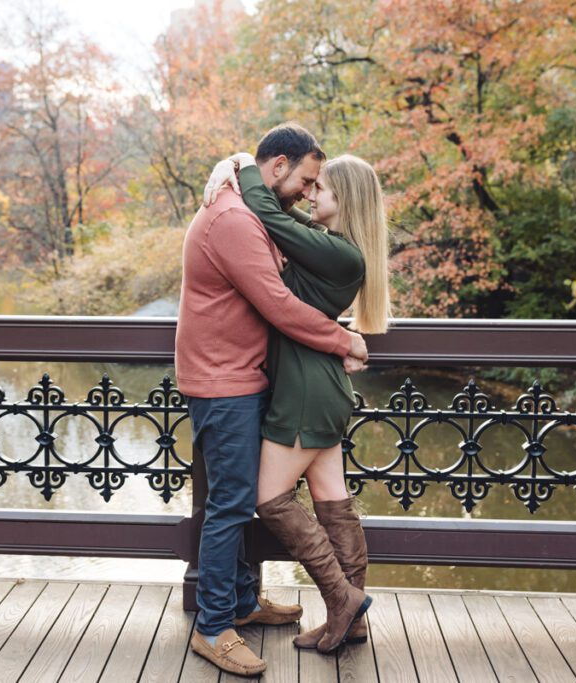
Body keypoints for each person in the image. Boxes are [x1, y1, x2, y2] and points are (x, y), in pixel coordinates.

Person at [175, 123, 369, 677]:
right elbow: (278, 304)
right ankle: (214, 627)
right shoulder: (235, 219)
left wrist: (236, 160)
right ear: (278, 166)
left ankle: (241, 602)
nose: (309, 192)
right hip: (225, 382)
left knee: (237, 499)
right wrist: (344, 339)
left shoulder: (249, 211)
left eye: (319, 186)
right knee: (232, 504)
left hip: (249, 377)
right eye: (306, 179)